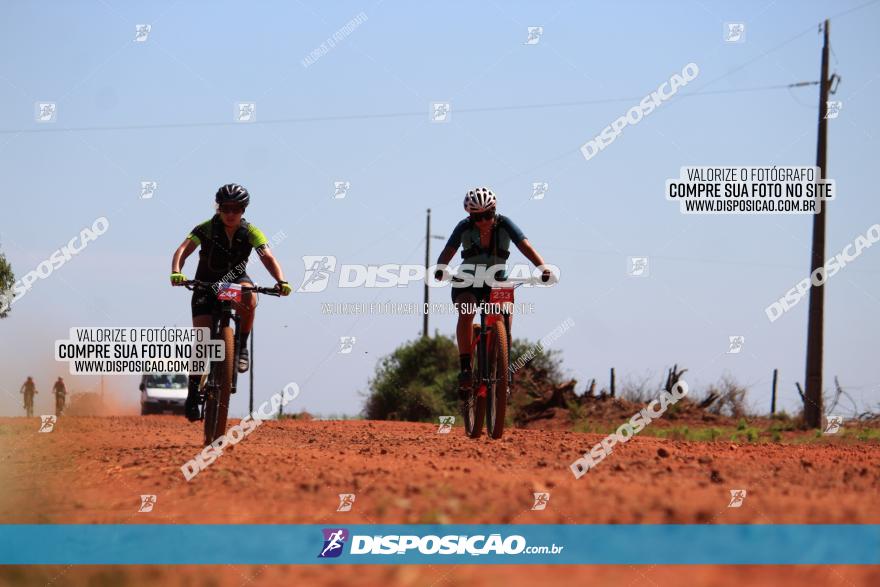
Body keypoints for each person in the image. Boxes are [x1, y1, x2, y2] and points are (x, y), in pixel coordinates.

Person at [170, 183, 292, 422]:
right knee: (203, 339)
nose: (230, 213)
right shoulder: (205, 228)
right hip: (205, 284)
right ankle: (193, 393)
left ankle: (241, 346)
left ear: (243, 209)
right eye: (226, 208)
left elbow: (267, 256)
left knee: (250, 295)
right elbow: (183, 249)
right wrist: (176, 271)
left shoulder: (251, 232)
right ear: (219, 208)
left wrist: (281, 280)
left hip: (234, 283)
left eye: (236, 208)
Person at [433, 187, 551, 409]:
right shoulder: (463, 227)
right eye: (478, 217)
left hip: (497, 279)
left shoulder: (505, 224)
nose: (484, 221)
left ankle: (502, 370)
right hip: (467, 280)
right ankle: (466, 369)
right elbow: (448, 250)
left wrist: (542, 267)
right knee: (467, 311)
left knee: (505, 317)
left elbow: (525, 246)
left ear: (495, 211)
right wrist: (441, 268)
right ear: (470, 216)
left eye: (488, 215)